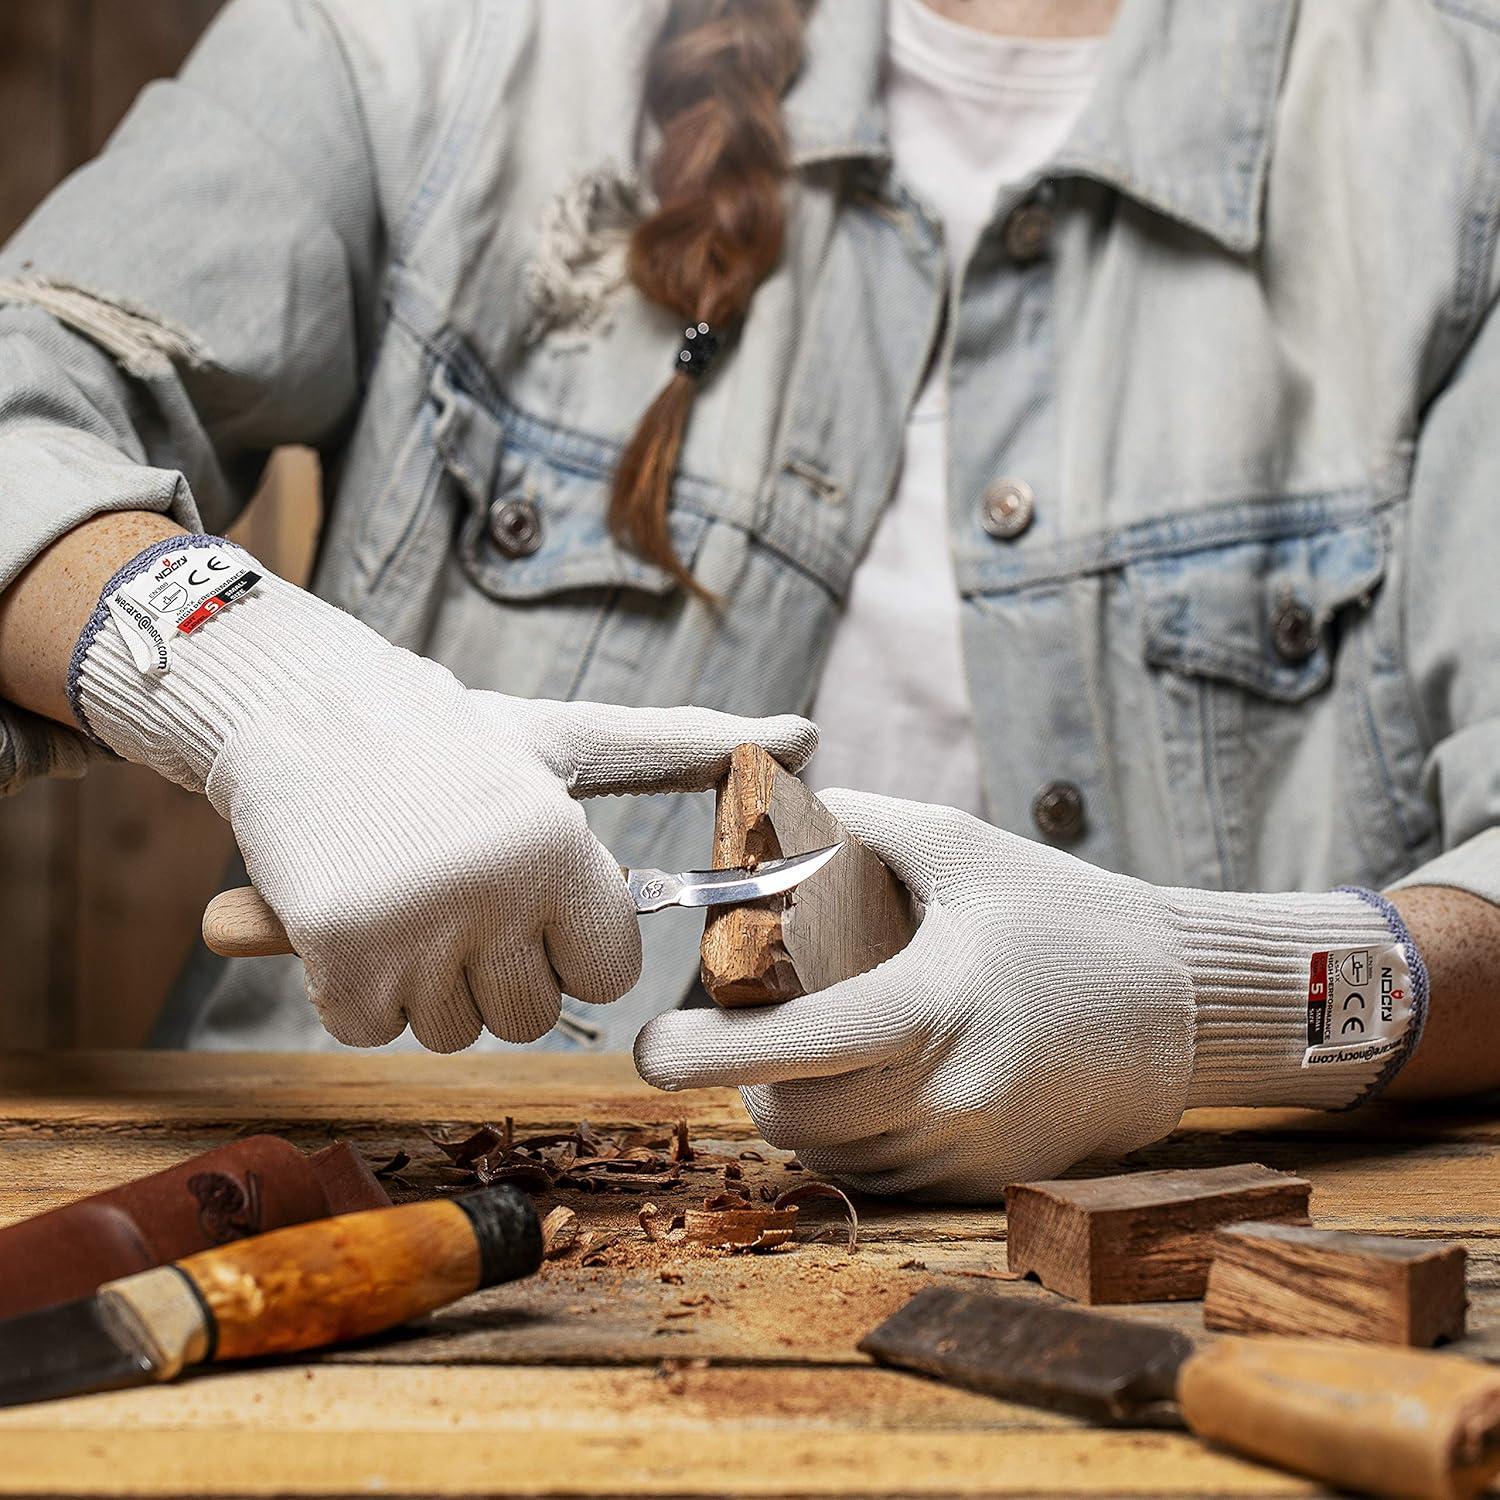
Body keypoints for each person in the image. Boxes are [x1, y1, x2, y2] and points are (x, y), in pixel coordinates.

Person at [1, 0, 1497, 1201]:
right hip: (348, 1225)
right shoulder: (438, 42)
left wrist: (1208, 997)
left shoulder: (1457, 136)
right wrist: (257, 679)